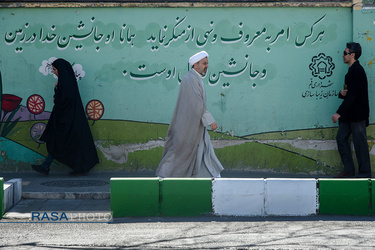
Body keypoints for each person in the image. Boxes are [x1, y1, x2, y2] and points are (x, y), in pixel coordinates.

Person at [156, 51, 224, 178]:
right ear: (195, 65)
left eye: (207, 63)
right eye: (204, 63)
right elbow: (197, 103)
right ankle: (162, 177)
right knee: (179, 153)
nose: (207, 66)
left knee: (204, 154)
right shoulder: (191, 79)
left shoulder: (194, 78)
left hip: (195, 127)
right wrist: (210, 120)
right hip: (187, 128)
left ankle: (215, 180)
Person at [31, 58, 99, 176]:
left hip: (67, 120)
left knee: (59, 142)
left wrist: (56, 93)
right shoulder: (66, 82)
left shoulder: (66, 83)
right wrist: (56, 90)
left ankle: (48, 166)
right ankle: (46, 166)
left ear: (61, 70)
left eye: (55, 70)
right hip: (67, 119)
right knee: (59, 142)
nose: (54, 72)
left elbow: (61, 100)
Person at [332, 42, 371, 178]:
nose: (342, 56)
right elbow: (350, 93)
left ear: (352, 55)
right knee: (341, 138)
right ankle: (348, 169)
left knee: (360, 144)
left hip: (357, 115)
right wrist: (341, 94)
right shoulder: (351, 71)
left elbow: (353, 95)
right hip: (349, 115)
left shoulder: (357, 71)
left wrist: (338, 112)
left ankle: (364, 174)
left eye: (345, 53)